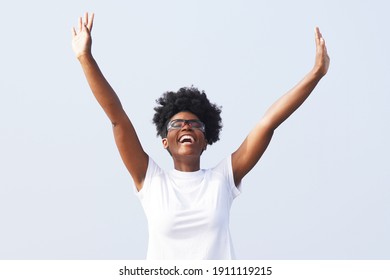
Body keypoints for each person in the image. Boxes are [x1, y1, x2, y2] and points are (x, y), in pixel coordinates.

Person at [71, 12, 330, 260]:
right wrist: (85, 58)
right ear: (165, 141)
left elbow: (268, 124)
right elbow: (118, 119)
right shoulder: (151, 182)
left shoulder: (222, 180)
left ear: (206, 141)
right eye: (177, 124)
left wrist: (316, 73)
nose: (186, 127)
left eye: (195, 124)